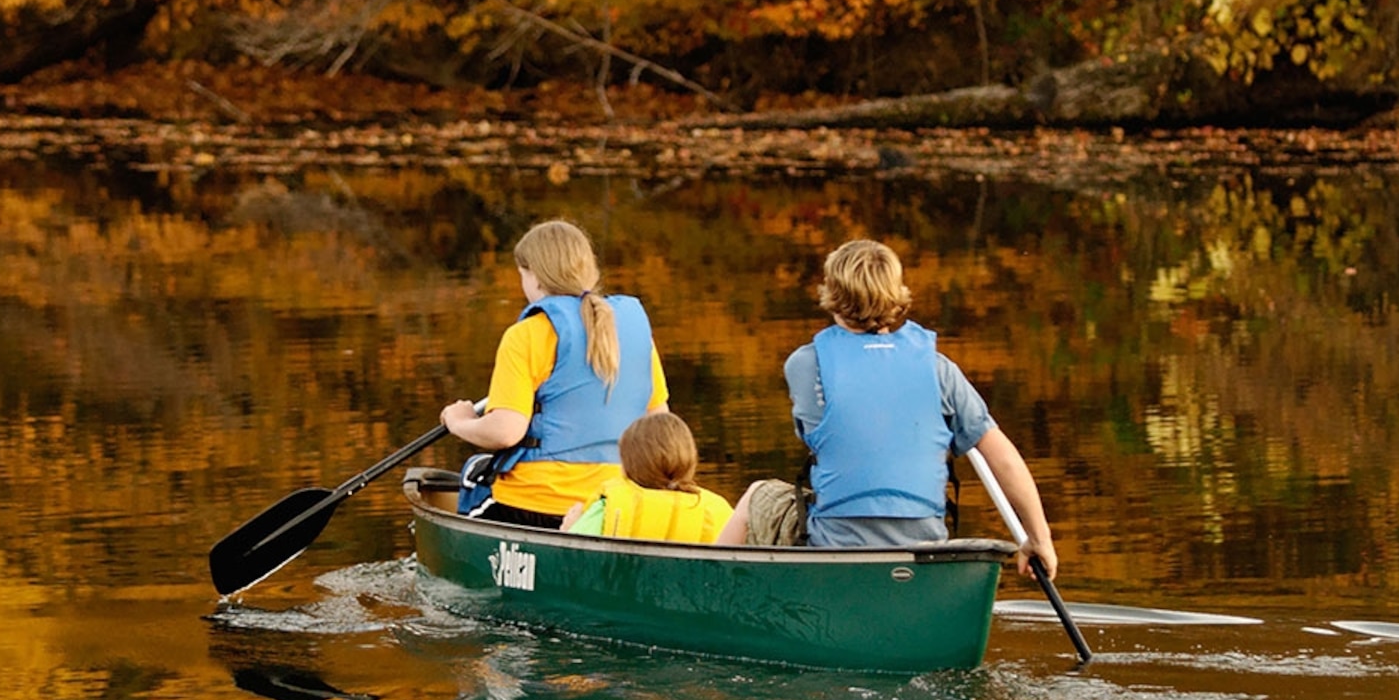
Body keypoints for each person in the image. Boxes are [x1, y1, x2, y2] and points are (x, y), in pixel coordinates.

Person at [717, 238, 1060, 579]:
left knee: (758, 495)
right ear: (895, 295)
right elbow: (1004, 459)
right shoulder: (939, 369)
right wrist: (1039, 539)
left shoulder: (805, 365)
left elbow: (818, 438)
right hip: (924, 546)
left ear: (832, 296)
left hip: (834, 545)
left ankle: (709, 589)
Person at [440, 219, 667, 530]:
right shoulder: (635, 332)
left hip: (537, 508)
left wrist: (460, 421)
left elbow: (505, 433)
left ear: (535, 277)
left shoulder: (527, 335)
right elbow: (660, 425)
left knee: (472, 476)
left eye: (522, 275)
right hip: (617, 508)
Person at [561, 410, 734, 543]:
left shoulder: (606, 509)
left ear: (628, 465)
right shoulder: (720, 513)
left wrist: (569, 529)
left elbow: (570, 562)